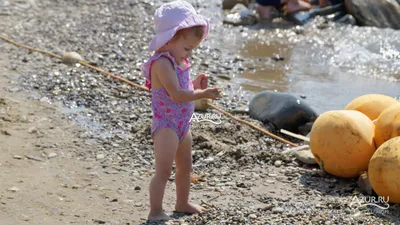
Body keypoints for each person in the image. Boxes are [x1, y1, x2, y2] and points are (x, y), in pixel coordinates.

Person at [141, 0, 221, 221]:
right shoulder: (162, 64)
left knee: (185, 167)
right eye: (187, 48)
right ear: (168, 40)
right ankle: (155, 210)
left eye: (192, 50)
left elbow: (184, 88)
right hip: (166, 125)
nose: (189, 54)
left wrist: (195, 85)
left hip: (183, 125)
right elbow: (176, 94)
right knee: (164, 171)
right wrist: (202, 95)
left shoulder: (180, 60)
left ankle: (182, 202)